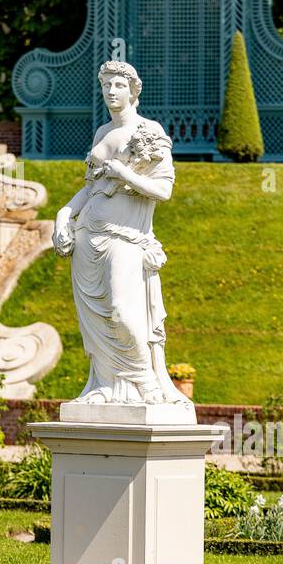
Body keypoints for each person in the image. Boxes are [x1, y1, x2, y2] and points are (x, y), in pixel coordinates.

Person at [53, 60, 188, 407]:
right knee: (96, 321)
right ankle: (107, 387)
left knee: (121, 311)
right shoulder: (101, 133)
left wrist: (124, 174)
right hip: (88, 237)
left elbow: (163, 191)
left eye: (118, 85)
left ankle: (147, 383)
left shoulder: (149, 132)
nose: (111, 92)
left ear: (133, 90)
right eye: (106, 86)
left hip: (125, 236)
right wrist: (64, 214)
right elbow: (91, 189)